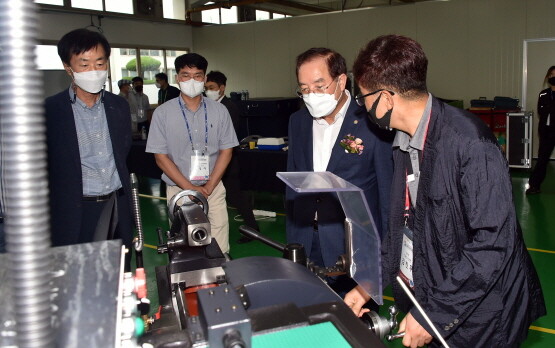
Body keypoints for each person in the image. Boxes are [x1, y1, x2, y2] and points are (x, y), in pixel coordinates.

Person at [344, 34, 546, 347]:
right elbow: (401, 230)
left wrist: (434, 315)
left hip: (484, 315)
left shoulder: (469, 143)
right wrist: (369, 284)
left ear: (385, 99)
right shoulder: (403, 143)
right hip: (437, 290)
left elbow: (493, 244)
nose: (363, 107)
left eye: (364, 98)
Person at [286, 47, 393, 293]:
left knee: (352, 321)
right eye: (304, 89)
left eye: (319, 86)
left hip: (351, 244)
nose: (311, 95)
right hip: (305, 239)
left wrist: (386, 252)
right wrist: (293, 238)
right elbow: (293, 185)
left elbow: (387, 193)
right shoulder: (298, 122)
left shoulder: (371, 122)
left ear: (342, 80)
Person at [44, 29, 134, 266]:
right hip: (75, 209)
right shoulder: (50, 111)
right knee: (77, 277)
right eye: (84, 64)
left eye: (99, 62)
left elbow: (123, 154)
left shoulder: (118, 106)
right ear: (68, 67)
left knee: (119, 275)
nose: (94, 71)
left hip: (116, 204)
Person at [146, 53, 238, 254]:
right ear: (177, 78)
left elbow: (227, 150)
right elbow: (160, 157)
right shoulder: (163, 113)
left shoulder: (220, 111)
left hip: (212, 189)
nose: (192, 81)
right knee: (185, 245)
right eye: (186, 75)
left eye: (197, 76)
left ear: (204, 79)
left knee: (220, 244)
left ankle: (220, 279)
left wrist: (210, 184)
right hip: (179, 190)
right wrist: (188, 188)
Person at [206, 70, 260, 243]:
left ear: (222, 88)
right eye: (206, 88)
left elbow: (225, 135)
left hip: (228, 160)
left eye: (212, 87)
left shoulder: (229, 107)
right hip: (212, 159)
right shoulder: (209, 105)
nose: (208, 91)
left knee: (236, 196)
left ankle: (252, 229)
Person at [526, 65, 555, 194]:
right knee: (542, 159)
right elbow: (541, 111)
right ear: (548, 77)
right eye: (551, 74)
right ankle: (534, 185)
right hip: (547, 131)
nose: (553, 77)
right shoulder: (543, 94)